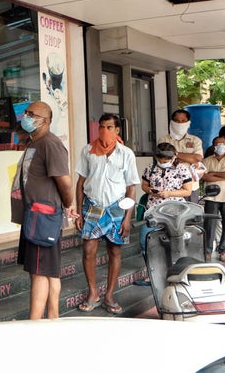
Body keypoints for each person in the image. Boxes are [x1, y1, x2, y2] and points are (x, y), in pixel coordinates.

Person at [10, 101, 76, 319]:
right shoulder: (33, 142)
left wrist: (68, 205)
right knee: (46, 270)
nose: (26, 117)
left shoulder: (50, 143)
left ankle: (35, 324)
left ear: (45, 120)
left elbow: (64, 182)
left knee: (40, 272)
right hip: (34, 216)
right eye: (26, 113)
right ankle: (53, 319)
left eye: (31, 114)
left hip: (43, 216)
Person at [75, 113, 139, 315]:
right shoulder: (88, 151)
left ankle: (109, 295)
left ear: (117, 130)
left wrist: (127, 218)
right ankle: (93, 293)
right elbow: (80, 183)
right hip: (92, 206)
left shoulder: (126, 154)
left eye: (109, 127)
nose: (105, 130)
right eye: (101, 126)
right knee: (88, 251)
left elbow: (131, 188)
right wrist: (79, 212)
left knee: (115, 251)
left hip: (117, 208)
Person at [133, 142, 192, 286]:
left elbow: (187, 190)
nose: (162, 163)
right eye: (160, 160)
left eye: (165, 161)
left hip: (175, 213)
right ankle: (153, 275)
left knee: (174, 244)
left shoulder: (182, 169)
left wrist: (169, 194)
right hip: (153, 211)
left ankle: (176, 274)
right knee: (145, 241)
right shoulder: (151, 168)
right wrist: (151, 191)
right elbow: (144, 185)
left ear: (173, 157)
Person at [202, 136, 225, 262]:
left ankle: (224, 251)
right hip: (211, 197)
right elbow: (204, 176)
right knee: (209, 224)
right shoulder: (206, 161)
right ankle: (207, 251)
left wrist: (213, 174)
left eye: (222, 143)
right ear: (213, 146)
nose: (220, 146)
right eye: (217, 144)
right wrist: (224, 176)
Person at [157, 109, 203, 202]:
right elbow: (163, 157)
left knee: (190, 215)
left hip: (191, 186)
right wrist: (189, 158)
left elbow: (197, 158)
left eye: (183, 121)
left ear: (188, 123)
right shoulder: (163, 140)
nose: (180, 123)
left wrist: (174, 154)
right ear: (172, 122)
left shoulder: (195, 140)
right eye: (177, 121)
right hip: (168, 187)